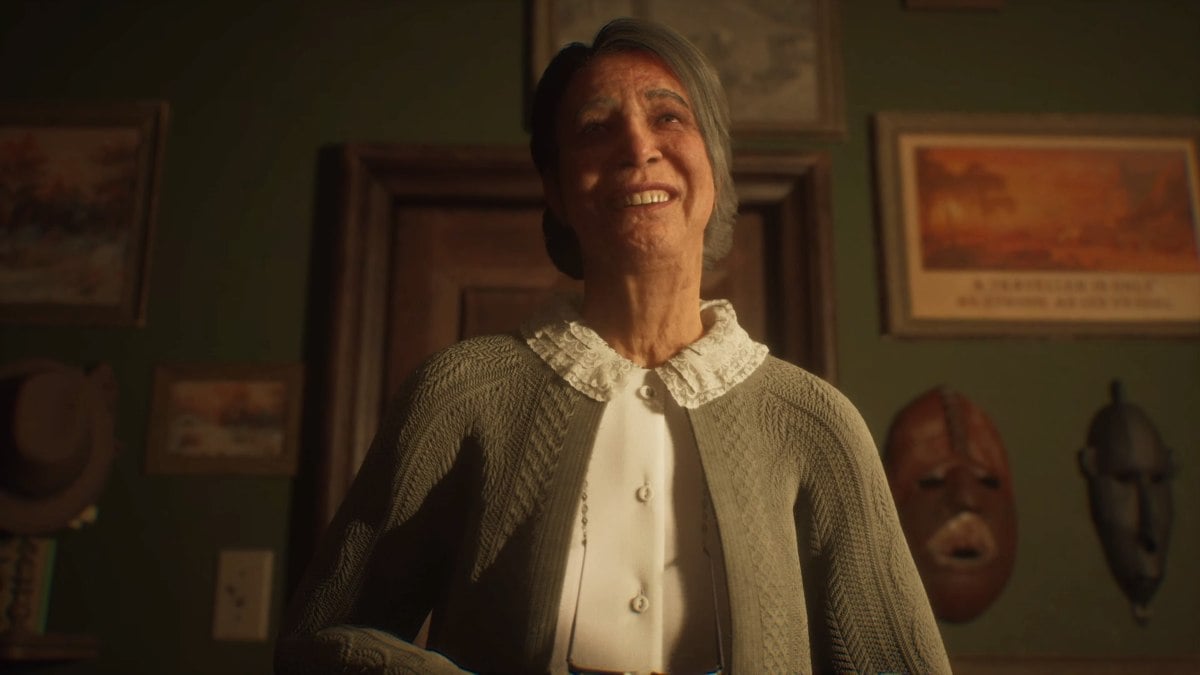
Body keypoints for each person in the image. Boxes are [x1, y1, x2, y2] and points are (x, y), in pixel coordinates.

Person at [276, 17, 949, 674]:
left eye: (669, 117)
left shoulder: (816, 422)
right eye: (596, 128)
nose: (636, 146)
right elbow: (320, 643)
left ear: (714, 167)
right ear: (558, 190)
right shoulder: (460, 393)